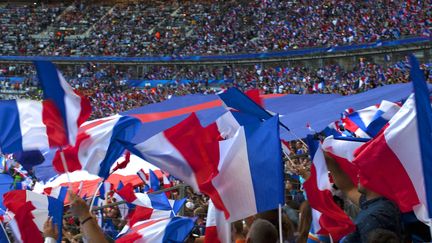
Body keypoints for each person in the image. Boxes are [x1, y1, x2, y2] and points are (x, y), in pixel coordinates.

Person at [323, 152, 402, 242]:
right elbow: (348, 188)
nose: (358, 174)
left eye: (362, 171)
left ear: (374, 178)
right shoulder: (379, 203)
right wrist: (330, 162)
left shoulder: (373, 217)